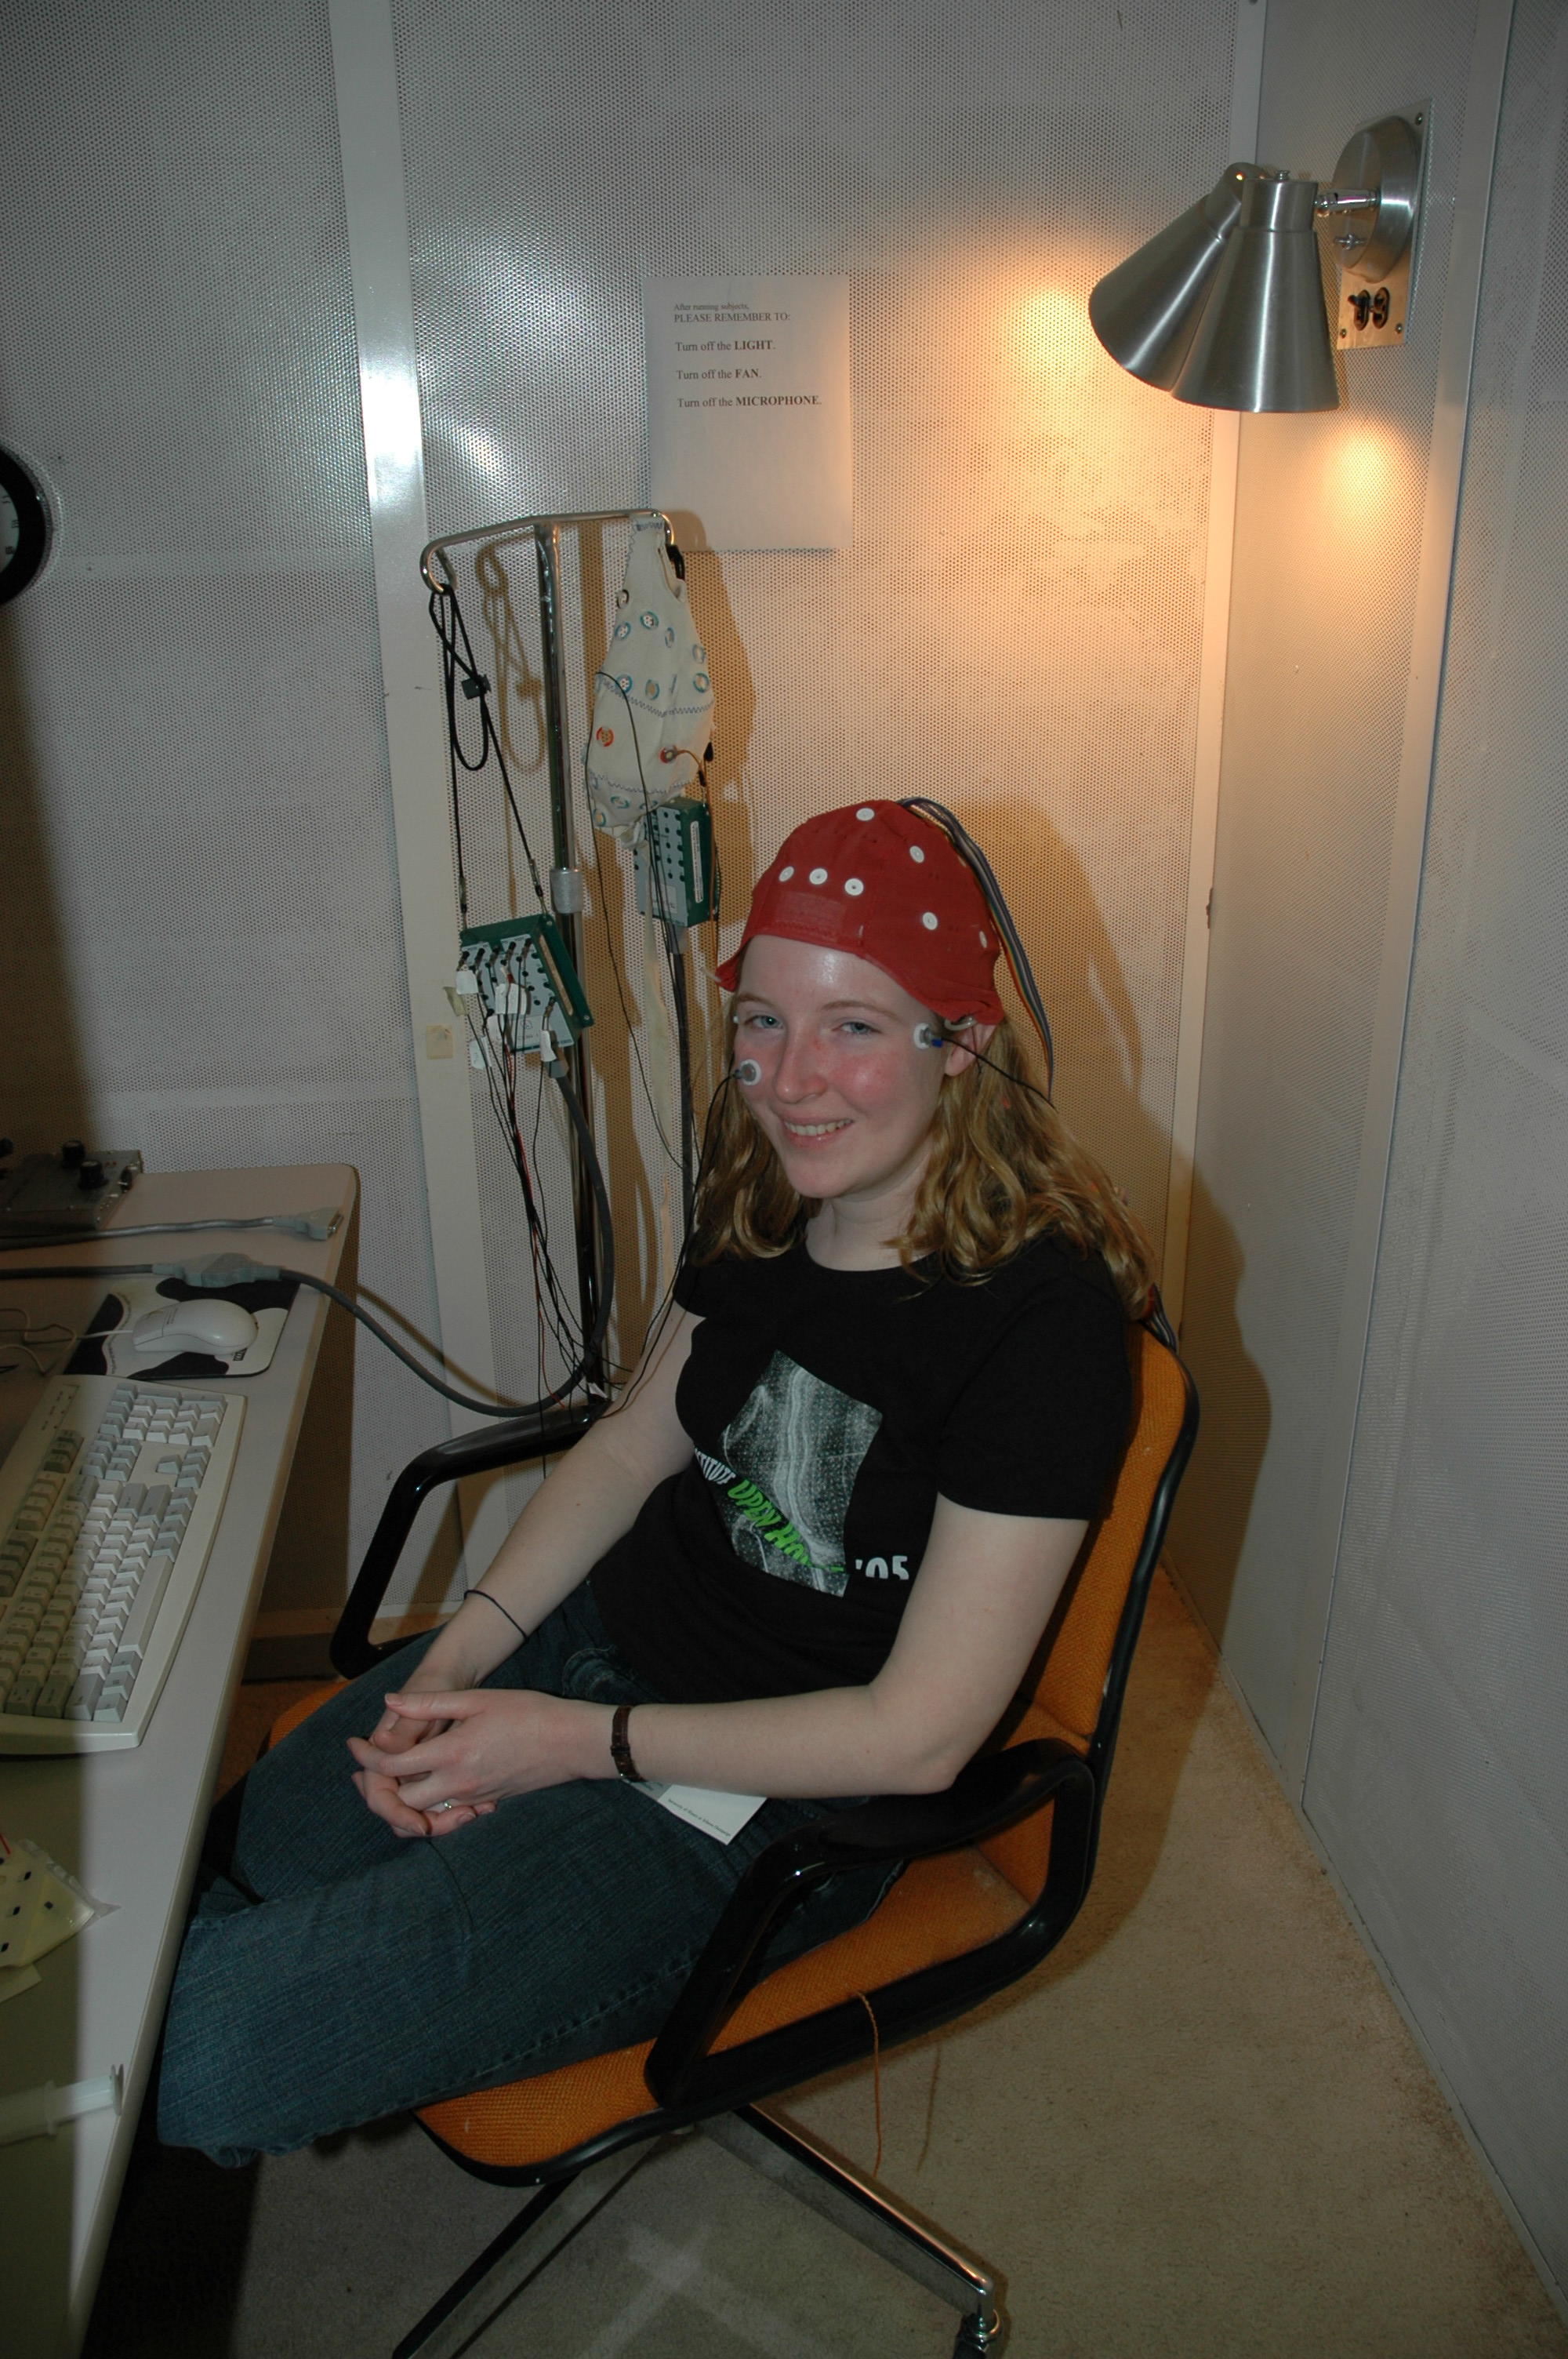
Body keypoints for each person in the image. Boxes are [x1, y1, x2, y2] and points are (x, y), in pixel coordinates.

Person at [156, 798, 1153, 2165]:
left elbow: (917, 1738)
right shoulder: (767, 1199)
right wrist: (458, 1663)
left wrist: (569, 1746)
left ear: (961, 1041)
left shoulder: (1040, 1326)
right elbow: (631, 1447)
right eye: (763, 1020)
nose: (788, 1080)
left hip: (759, 1808)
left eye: (855, 1027)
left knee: (199, 2057)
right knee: (226, 1861)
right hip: (593, 1646)